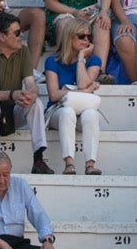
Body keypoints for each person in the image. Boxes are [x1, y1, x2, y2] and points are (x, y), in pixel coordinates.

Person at [0, 12, 51, 172]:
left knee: (36, 103)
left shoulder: (23, 51)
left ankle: (39, 158)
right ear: (2, 36)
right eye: (17, 33)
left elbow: (30, 82)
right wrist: (13, 94)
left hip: (10, 111)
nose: (22, 35)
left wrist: (31, 94)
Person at [44, 11, 107, 178]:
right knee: (67, 112)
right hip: (58, 110)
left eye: (89, 37)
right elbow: (53, 95)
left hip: (83, 110)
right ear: (69, 37)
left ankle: (90, 164)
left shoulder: (94, 60)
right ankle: (69, 163)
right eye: (81, 36)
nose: (86, 40)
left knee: (91, 114)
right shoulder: (53, 61)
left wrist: (81, 58)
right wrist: (85, 91)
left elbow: (81, 83)